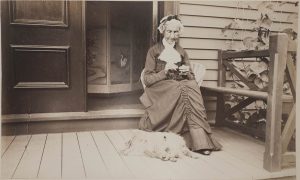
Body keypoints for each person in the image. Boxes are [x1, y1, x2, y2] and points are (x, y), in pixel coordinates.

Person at [139, 14, 222, 155]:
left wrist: (187, 71)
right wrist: (165, 71)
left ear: (179, 32)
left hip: (179, 84)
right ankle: (185, 138)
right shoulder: (154, 51)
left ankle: (200, 142)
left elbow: (192, 77)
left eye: (175, 32)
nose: (172, 36)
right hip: (160, 88)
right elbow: (147, 79)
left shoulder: (182, 52)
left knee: (190, 86)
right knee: (182, 87)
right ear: (163, 31)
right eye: (169, 31)